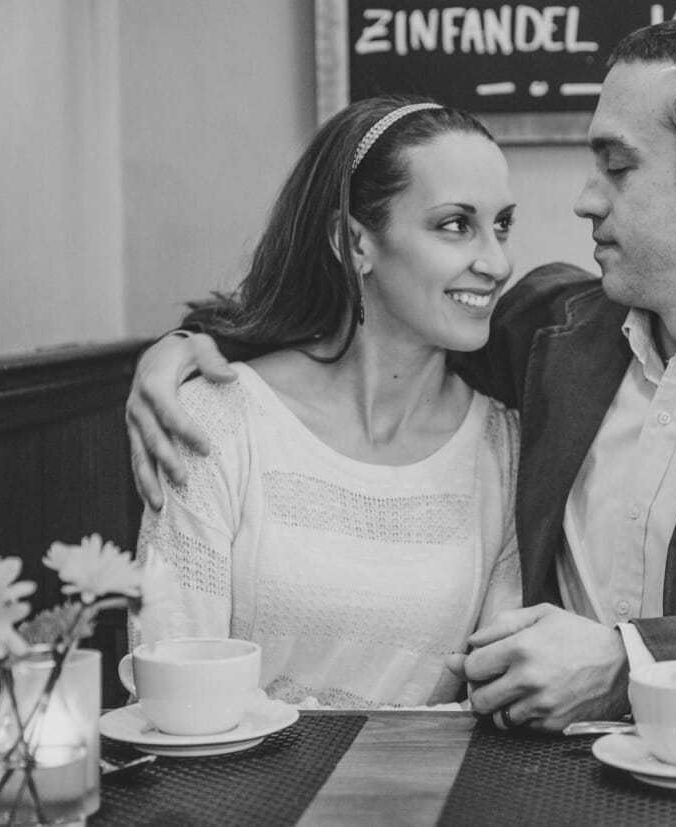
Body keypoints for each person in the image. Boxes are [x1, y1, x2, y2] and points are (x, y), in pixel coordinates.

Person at [128, 15, 676, 743]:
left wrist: (636, 663)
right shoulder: (552, 329)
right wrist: (186, 347)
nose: (585, 198)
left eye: (618, 166)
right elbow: (369, 317)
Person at [130, 95, 522, 709]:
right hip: (238, 794)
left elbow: (500, 694)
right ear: (354, 243)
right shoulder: (219, 421)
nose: (496, 262)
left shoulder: (503, 445)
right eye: (455, 224)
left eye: (502, 225)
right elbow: (172, 681)